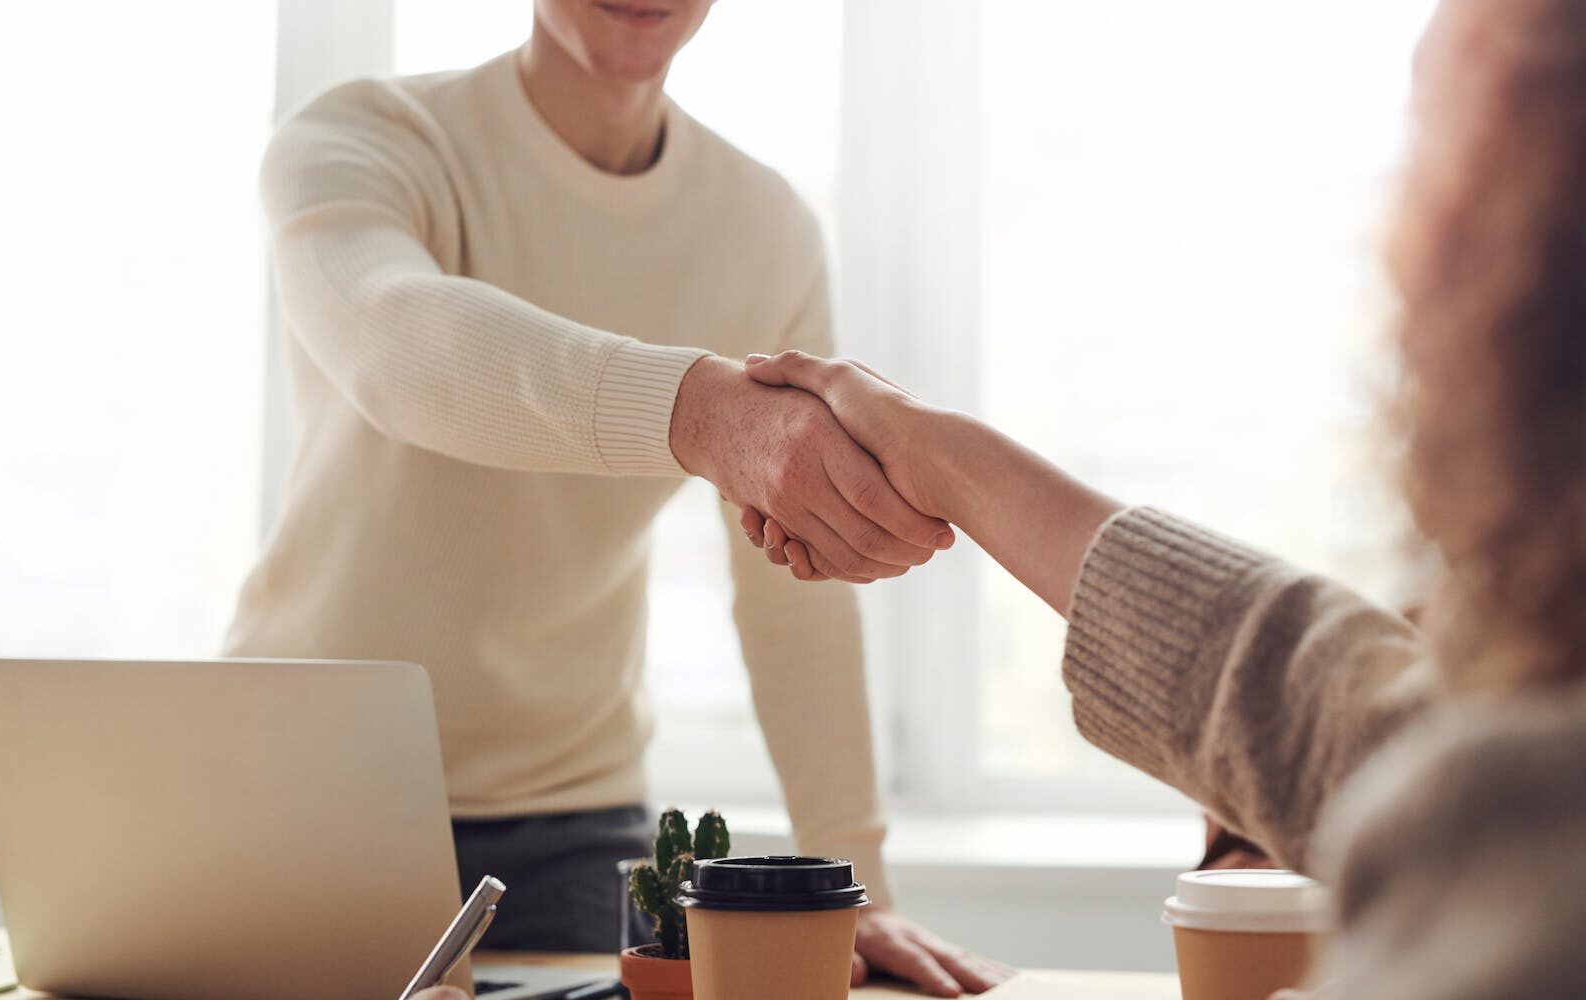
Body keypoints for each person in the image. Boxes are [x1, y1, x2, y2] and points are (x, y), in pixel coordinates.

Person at [736, 0, 1586, 993]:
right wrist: (948, 460)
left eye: (1436, 160)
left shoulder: (1526, 848)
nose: (1393, 243)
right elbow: (1339, 709)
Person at [228, 0, 1009, 993]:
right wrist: (701, 414)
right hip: (294, 791)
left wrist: (857, 884)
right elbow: (397, 345)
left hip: (565, 826)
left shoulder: (761, 229)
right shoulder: (364, 138)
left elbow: (791, 592)